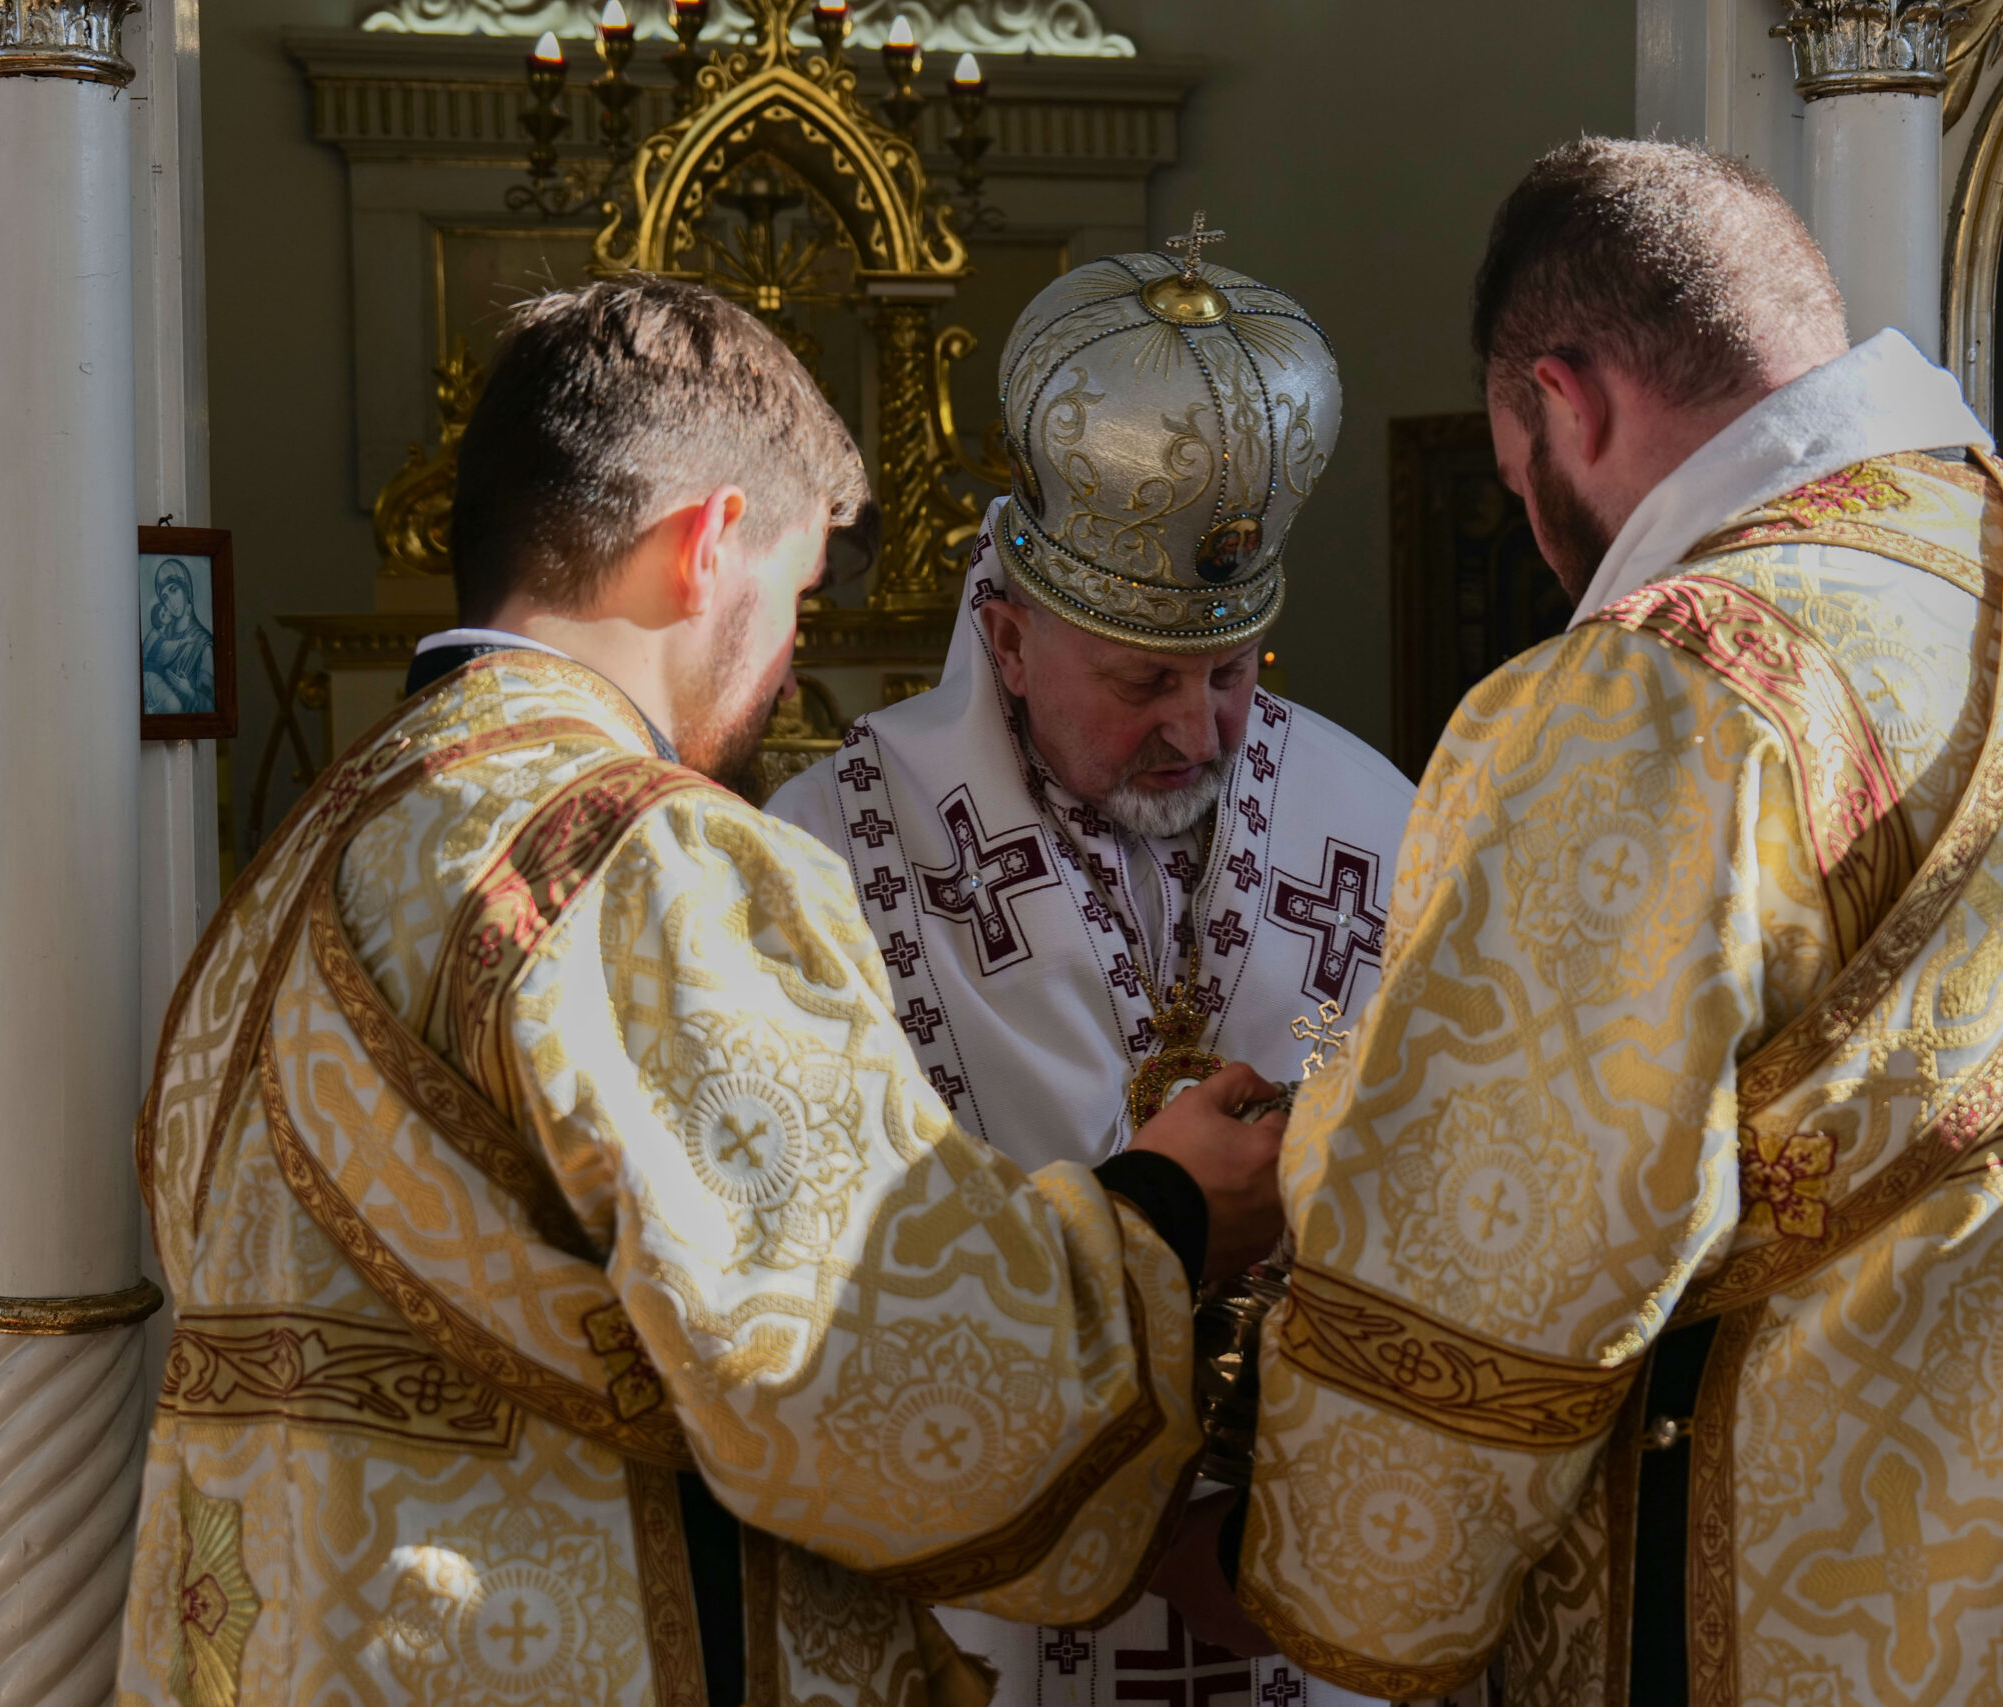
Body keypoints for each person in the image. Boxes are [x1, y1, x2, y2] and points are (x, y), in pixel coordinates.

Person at [1198, 140, 2003, 1705]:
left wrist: (1312, 1525)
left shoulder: (1665, 694)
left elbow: (1494, 1274)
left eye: (1522, 480)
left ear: (1566, 402)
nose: (1539, 535)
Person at [124, 276, 1287, 1707]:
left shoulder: (301, 858)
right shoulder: (634, 854)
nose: (795, 659)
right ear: (709, 542)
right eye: (798, 593)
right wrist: (1167, 1214)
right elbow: (862, 1369)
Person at [770, 242, 1420, 1707]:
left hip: (1311, 1615)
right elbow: (810, 1305)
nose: (1201, 729)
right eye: (1140, 681)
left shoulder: (1376, 816)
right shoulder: (823, 864)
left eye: (1236, 669)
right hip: (991, 1626)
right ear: (1005, 631)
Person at [142, 556, 217, 715]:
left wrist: (189, 691)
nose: (171, 602)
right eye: (165, 597)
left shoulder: (203, 645)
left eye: (174, 590)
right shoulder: (162, 637)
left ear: (186, 588)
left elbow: (211, 706)